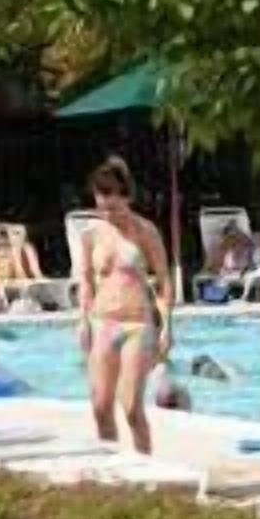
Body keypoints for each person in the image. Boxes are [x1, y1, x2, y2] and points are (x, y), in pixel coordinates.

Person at [74, 156, 174, 453]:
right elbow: (87, 281)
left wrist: (167, 327)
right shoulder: (91, 235)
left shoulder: (145, 232)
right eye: (101, 206)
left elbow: (164, 280)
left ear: (126, 198)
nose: (108, 213)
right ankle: (111, 467)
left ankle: (145, 465)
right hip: (103, 321)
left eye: (113, 206)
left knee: (131, 407)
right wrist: (82, 319)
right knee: (100, 405)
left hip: (136, 323)